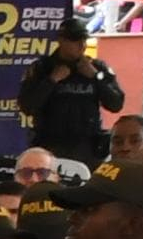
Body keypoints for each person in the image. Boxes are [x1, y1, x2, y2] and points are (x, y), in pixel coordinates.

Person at [17, 25, 121, 168]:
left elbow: (116, 104)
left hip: (88, 147)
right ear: (61, 41)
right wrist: (51, 80)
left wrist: (96, 77)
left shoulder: (96, 67)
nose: (82, 45)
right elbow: (27, 106)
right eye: (76, 41)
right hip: (51, 145)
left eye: (84, 40)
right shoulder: (42, 68)